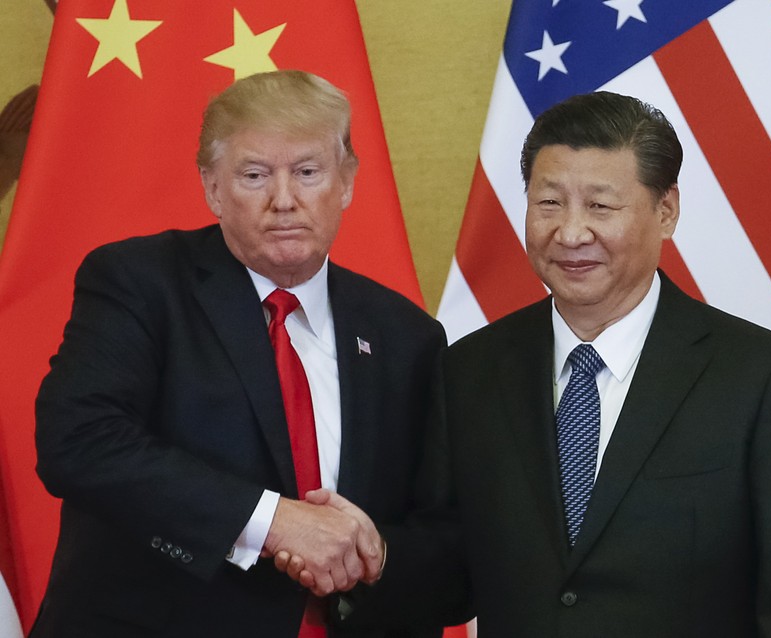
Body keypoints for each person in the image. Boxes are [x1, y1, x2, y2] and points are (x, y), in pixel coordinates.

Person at [335, 91, 771, 637]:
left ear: (666, 210)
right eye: (549, 203)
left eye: (600, 206)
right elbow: (453, 572)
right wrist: (377, 555)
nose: (571, 233)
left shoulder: (761, 377)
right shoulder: (470, 370)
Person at [31, 70, 461, 637]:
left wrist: (376, 552)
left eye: (308, 173)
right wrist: (273, 522)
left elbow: (446, 537)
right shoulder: (140, 282)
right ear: (212, 187)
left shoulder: (408, 336)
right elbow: (79, 441)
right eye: (255, 175)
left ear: (347, 181)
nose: (285, 200)